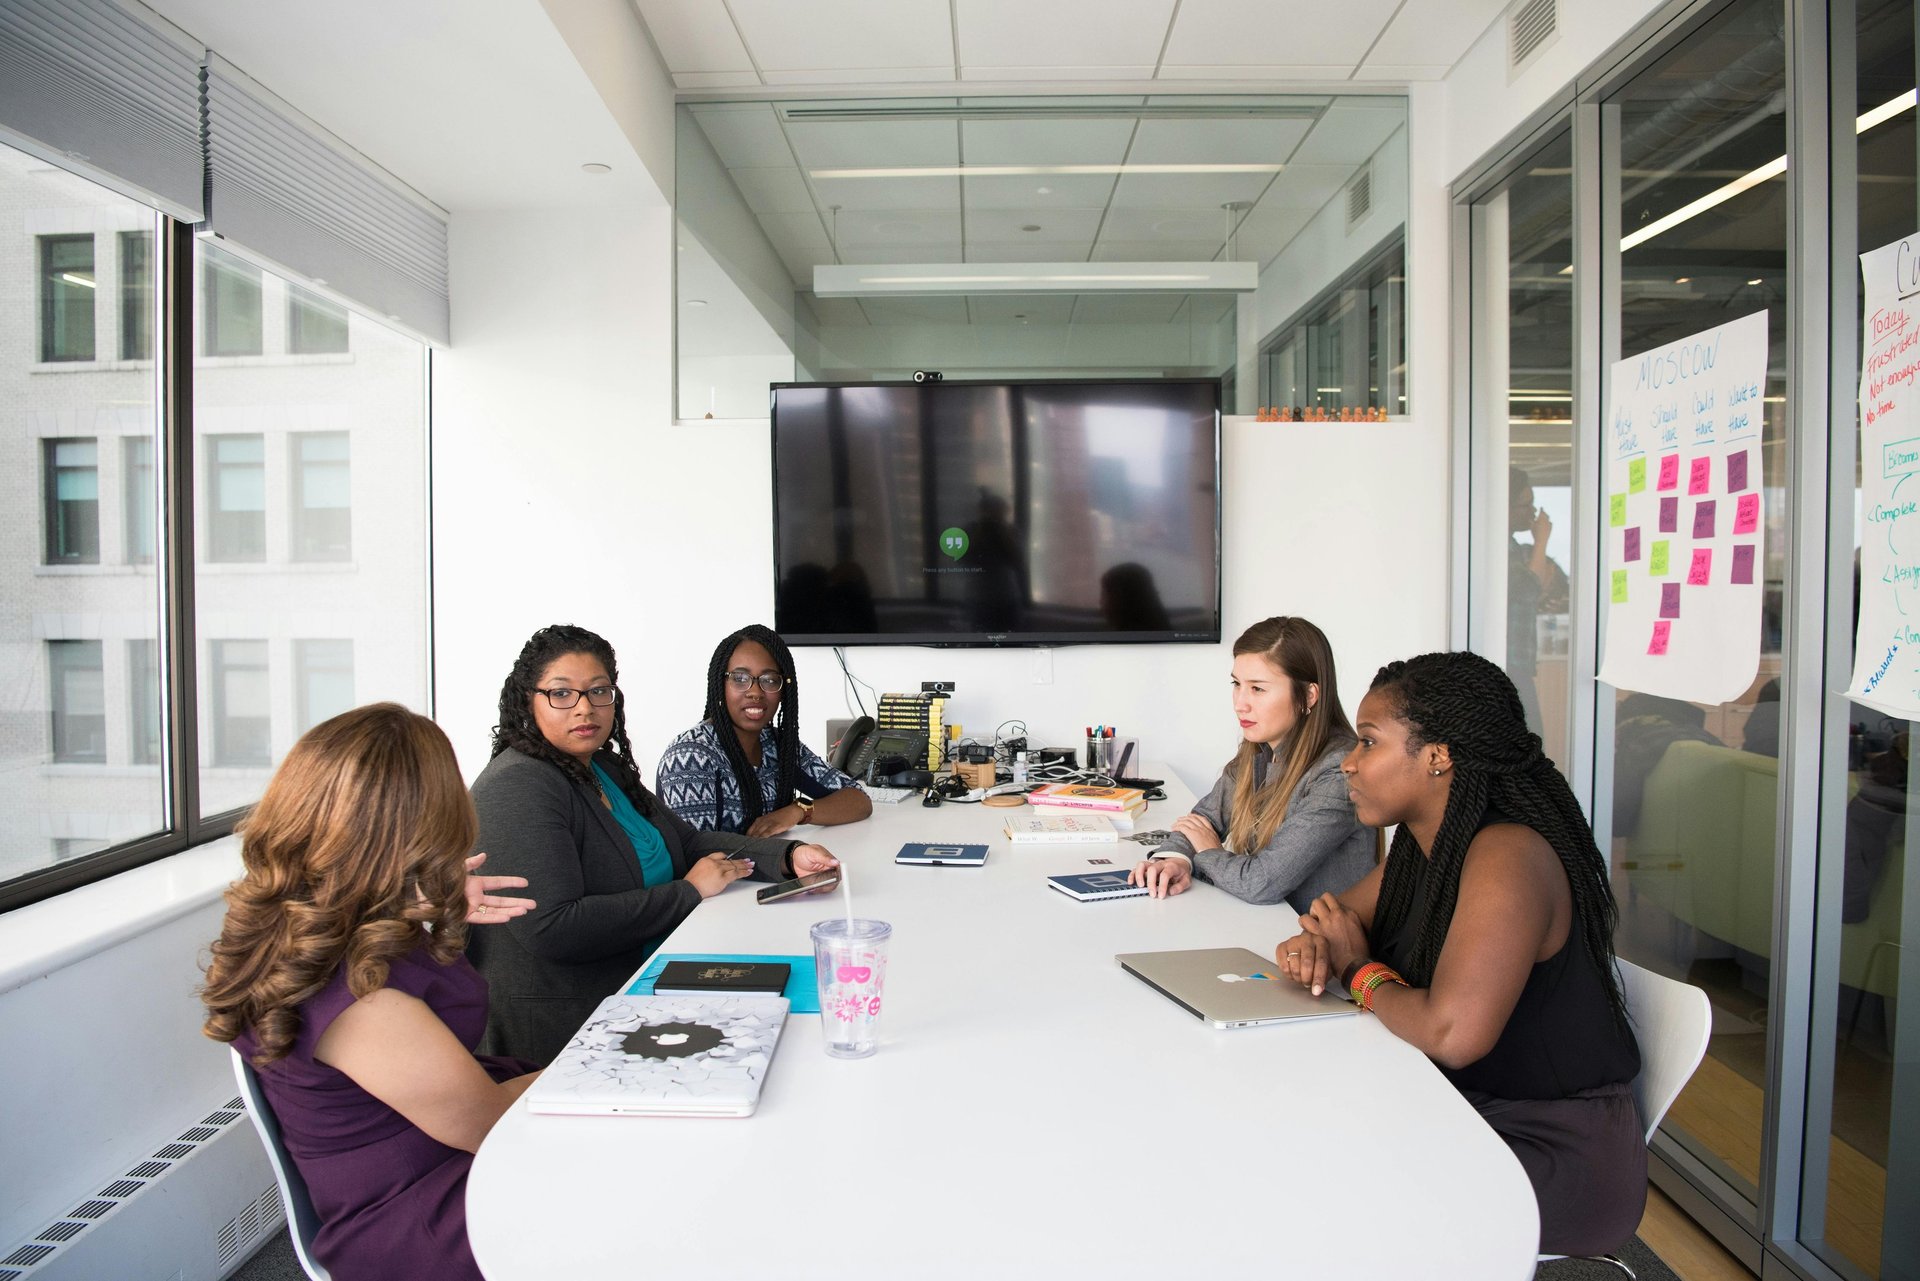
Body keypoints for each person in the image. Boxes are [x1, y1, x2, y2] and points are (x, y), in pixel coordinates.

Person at [1277, 650, 1645, 1257]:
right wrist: (1314, 948)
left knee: (1314, 1188)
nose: (1348, 762)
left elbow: (1452, 1033)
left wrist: (1355, 968)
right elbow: (1326, 921)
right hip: (1454, 1103)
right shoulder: (1427, 847)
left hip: (1544, 1151)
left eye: (1369, 743)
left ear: (1439, 755)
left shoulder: (1508, 855)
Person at [201, 703, 541, 1281]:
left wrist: (423, 902)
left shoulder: (303, 924)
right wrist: (601, 1064)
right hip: (425, 1218)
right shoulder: (364, 1004)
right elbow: (489, 1127)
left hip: (425, 1153)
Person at [466, 624, 840, 1064]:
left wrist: (787, 857)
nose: (585, 709)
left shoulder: (600, 766)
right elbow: (554, 928)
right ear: (528, 700)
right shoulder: (518, 785)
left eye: (599, 691)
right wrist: (689, 892)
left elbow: (689, 842)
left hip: (644, 981)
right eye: (562, 693)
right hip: (565, 1025)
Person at [1128, 615, 1375, 909]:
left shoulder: (1338, 772)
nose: (1239, 703)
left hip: (1317, 944)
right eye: (1237, 684)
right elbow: (1203, 819)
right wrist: (1174, 860)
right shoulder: (1259, 749)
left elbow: (1261, 883)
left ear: (1309, 695)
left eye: (1257, 688)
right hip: (1273, 928)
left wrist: (1207, 852)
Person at [656, 624, 872, 836]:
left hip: (778, 867)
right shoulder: (689, 756)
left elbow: (858, 800)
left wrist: (798, 811)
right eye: (740, 679)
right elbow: (697, 852)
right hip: (745, 869)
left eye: (769, 680)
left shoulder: (777, 745)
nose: (756, 692)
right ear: (719, 685)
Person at [1508, 466, 1569, 736]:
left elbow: (1551, 588)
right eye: (1526, 504)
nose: (1533, 512)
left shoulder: (1518, 551)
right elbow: (1527, 588)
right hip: (1509, 664)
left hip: (1518, 664)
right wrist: (1542, 539)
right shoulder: (1498, 547)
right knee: (1529, 739)